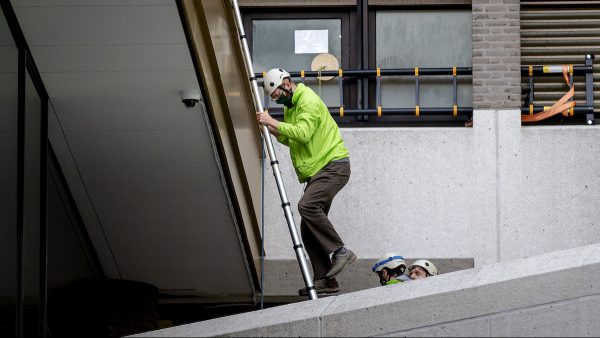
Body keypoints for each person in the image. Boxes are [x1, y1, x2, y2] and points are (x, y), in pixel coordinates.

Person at [256, 68, 356, 296]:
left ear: (287, 83)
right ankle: (325, 281)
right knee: (308, 227)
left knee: (306, 206)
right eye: (273, 98)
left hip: (333, 166)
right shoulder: (291, 107)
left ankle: (341, 251)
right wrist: (276, 132)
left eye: (277, 94)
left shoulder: (308, 100)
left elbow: (302, 132)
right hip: (321, 170)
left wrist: (273, 121)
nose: (277, 99)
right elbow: (298, 141)